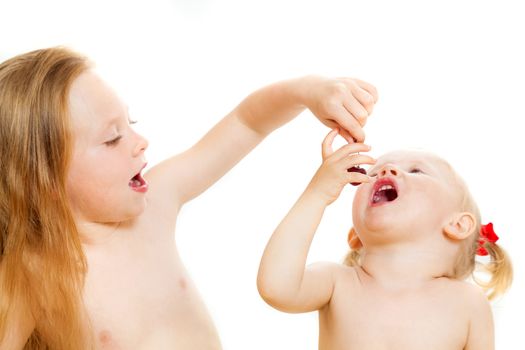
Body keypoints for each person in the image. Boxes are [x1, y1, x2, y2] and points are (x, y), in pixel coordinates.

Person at [0, 47, 377, 349]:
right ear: (45, 179)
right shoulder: (33, 275)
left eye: (129, 124)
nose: (139, 142)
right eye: (112, 138)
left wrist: (307, 91)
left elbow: (248, 121)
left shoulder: (155, 203)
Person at [257, 129, 513, 350]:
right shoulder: (338, 283)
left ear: (458, 224)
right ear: (355, 236)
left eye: (416, 170)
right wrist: (318, 193)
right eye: (373, 172)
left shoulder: (468, 303)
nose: (387, 171)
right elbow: (276, 287)